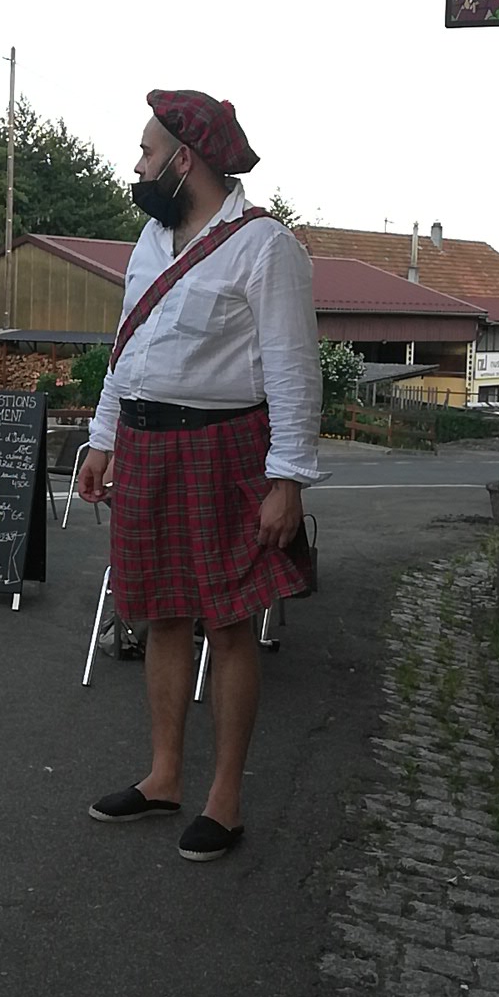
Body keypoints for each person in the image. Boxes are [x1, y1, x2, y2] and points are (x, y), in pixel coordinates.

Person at [78, 88, 320, 863]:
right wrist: (103, 437)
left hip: (224, 448)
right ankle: (163, 778)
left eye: (146, 152)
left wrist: (287, 480)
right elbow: (127, 348)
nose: (137, 165)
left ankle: (224, 800)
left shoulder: (265, 246)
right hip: (145, 444)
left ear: (184, 160)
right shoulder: (151, 240)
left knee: (229, 622)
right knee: (160, 614)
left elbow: (293, 370)